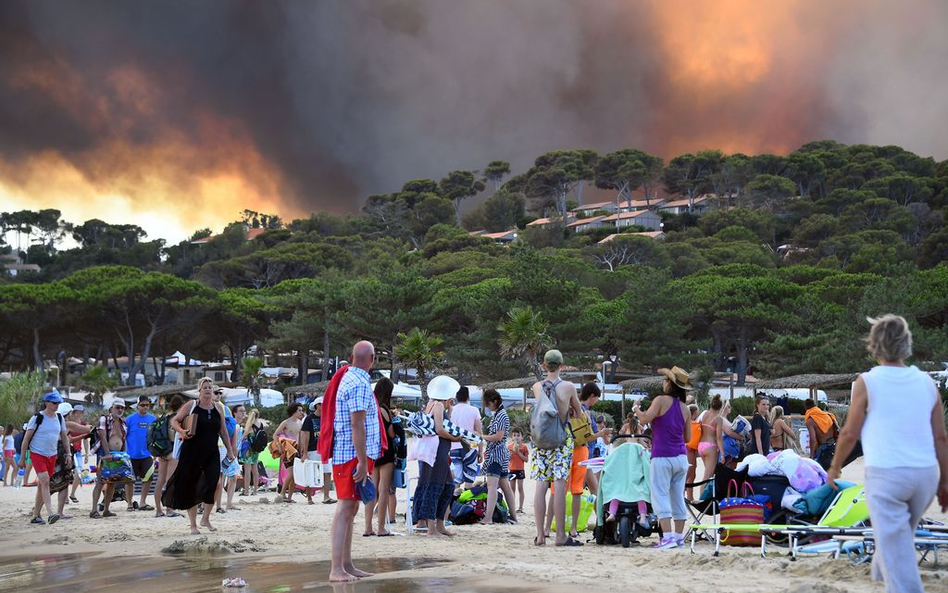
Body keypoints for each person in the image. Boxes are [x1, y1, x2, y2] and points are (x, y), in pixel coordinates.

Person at [827, 314, 948, 593]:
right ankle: (881, 575)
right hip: (925, 476)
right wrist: (944, 482)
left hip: (887, 475)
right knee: (896, 538)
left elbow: (849, 433)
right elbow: (940, 437)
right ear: (907, 344)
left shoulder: (867, 381)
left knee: (897, 546)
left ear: (874, 345)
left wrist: (835, 466)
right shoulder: (926, 382)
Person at [329, 340, 382, 582]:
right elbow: (356, 424)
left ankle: (346, 565)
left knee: (351, 508)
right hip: (351, 455)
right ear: (372, 359)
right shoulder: (359, 383)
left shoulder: (350, 378)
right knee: (345, 508)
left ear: (352, 356)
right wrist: (362, 461)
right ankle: (336, 569)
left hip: (352, 454)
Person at [164, 377, 235, 534]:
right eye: (205, 387)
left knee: (214, 483)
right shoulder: (192, 405)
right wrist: (182, 431)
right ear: (200, 391)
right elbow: (174, 421)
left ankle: (206, 518)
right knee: (191, 486)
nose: (208, 389)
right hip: (192, 452)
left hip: (211, 451)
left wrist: (230, 450)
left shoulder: (219, 408)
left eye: (210, 387)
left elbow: (222, 430)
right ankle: (193, 525)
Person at [633, 366, 692, 549]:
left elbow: (644, 420)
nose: (663, 383)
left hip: (662, 455)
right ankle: (678, 537)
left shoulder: (660, 400)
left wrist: (636, 408)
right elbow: (688, 438)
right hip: (681, 457)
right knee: (677, 497)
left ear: (670, 384)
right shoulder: (685, 408)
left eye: (666, 380)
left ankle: (667, 537)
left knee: (659, 496)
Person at [531, 349, 582, 547]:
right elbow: (578, 413)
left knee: (541, 484)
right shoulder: (568, 387)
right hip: (561, 439)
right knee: (559, 484)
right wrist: (568, 410)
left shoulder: (537, 386)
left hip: (541, 440)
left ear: (544, 366)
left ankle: (540, 535)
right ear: (562, 366)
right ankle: (560, 535)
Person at [411, 375, 463, 538]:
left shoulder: (431, 405)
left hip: (432, 452)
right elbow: (440, 429)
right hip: (438, 452)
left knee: (447, 486)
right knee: (436, 487)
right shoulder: (438, 405)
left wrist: (450, 409)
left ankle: (438, 524)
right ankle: (432, 528)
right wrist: (455, 439)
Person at [20, 390, 72, 524]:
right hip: (37, 454)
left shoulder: (59, 418)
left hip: (52, 455)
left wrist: (69, 454)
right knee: (45, 481)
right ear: (47, 403)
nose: (57, 405)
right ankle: (50, 513)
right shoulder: (37, 418)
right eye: (54, 403)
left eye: (58, 403)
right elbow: (26, 439)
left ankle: (36, 515)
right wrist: (22, 459)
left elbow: (64, 438)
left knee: (42, 485)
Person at [479, 388, 517, 525]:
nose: (488, 407)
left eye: (488, 404)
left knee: (492, 486)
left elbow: (498, 436)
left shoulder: (501, 416)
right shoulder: (500, 414)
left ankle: (488, 517)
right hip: (501, 454)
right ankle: (513, 516)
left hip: (496, 454)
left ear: (495, 401)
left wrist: (482, 436)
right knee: (505, 486)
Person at [89, 399, 128, 519]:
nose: (120, 410)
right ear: (112, 408)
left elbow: (123, 439)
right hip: (105, 453)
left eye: (122, 408)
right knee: (101, 481)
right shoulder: (104, 419)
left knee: (112, 483)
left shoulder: (123, 423)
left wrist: (124, 455)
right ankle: (94, 510)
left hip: (117, 454)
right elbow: (102, 436)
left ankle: (106, 509)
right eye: (118, 407)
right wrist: (107, 454)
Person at [366, 379, 395, 535]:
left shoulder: (370, 406)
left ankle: (367, 528)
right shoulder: (384, 409)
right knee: (383, 489)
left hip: (371, 450)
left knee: (372, 489)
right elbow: (390, 433)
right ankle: (380, 528)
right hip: (385, 450)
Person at [299, 397, 336, 505]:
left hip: (326, 450)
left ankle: (326, 496)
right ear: (317, 406)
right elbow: (305, 434)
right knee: (311, 473)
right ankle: (309, 498)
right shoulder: (309, 419)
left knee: (327, 472)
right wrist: (304, 452)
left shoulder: (328, 418)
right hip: (313, 449)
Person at [154, 394, 185, 518]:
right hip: (173, 451)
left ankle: (158, 510)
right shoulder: (178, 418)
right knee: (170, 481)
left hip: (162, 452)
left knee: (160, 480)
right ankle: (170, 509)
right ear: (181, 405)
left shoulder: (164, 417)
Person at [124, 395, 157, 512]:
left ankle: (142, 502)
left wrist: (155, 453)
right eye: (142, 405)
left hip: (147, 455)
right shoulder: (129, 419)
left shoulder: (152, 419)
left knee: (148, 479)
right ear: (137, 405)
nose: (145, 407)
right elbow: (123, 436)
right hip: (131, 455)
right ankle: (129, 503)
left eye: (147, 405)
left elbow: (155, 437)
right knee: (129, 481)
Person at [449, 386, 483, 489]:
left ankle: (454, 503)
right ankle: (467, 503)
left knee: (456, 479)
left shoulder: (451, 411)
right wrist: (481, 451)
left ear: (456, 397)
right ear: (468, 397)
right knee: (469, 478)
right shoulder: (474, 410)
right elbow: (479, 432)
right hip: (470, 447)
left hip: (453, 447)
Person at [271, 402, 304, 503]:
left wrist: (302, 449)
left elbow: (301, 437)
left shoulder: (300, 423)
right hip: (287, 449)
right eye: (299, 410)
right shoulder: (286, 422)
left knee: (295, 474)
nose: (301, 412)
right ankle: (282, 493)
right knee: (291, 473)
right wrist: (279, 446)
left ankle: (289, 497)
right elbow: (275, 435)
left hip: (296, 449)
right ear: (294, 411)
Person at [805, 398, 838, 465]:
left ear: (806, 408)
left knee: (817, 469)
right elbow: (837, 429)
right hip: (833, 446)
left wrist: (811, 455)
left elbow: (813, 440)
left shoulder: (810, 421)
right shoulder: (828, 415)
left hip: (823, 448)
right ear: (815, 406)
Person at [239, 408, 263, 496]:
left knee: (247, 470)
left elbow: (244, 435)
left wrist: (239, 441)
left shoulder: (250, 424)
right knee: (255, 469)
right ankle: (255, 490)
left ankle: (246, 491)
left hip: (248, 448)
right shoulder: (260, 423)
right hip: (256, 448)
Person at [507, 428, 529, 514]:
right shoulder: (509, 447)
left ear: (522, 437)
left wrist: (518, 452)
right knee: (512, 489)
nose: (516, 437)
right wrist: (510, 453)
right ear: (512, 437)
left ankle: (520, 507)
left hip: (520, 469)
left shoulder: (524, 447)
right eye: (514, 435)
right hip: (512, 469)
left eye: (518, 435)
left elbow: (526, 459)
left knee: (520, 488)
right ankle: (512, 506)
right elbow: (508, 459)